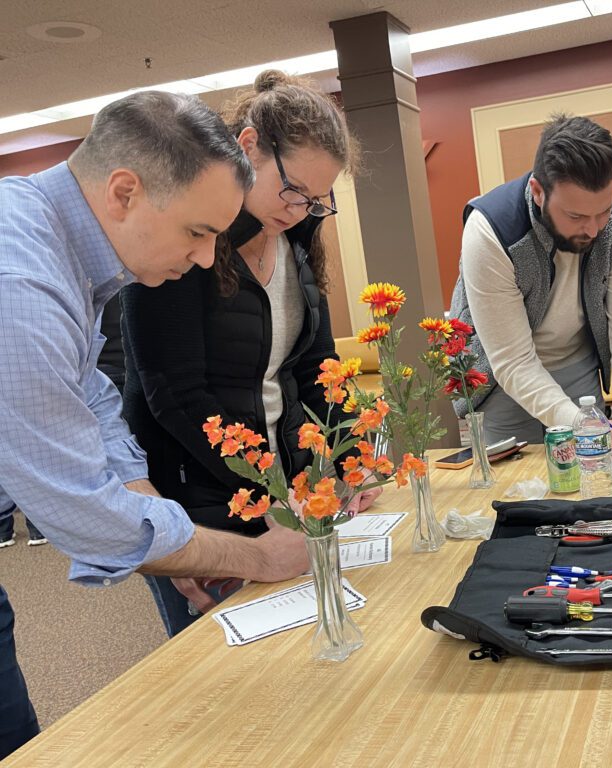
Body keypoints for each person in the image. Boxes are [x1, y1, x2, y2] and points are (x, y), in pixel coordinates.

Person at [0, 91, 311, 760]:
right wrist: (255, 555)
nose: (206, 260)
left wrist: (160, 528)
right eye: (199, 232)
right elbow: (86, 515)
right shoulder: (19, 284)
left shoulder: (59, 245)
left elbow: (94, 401)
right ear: (124, 193)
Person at [120, 71, 377, 638]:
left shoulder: (296, 241)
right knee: (224, 656)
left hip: (277, 483)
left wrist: (351, 457)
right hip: (197, 487)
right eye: (292, 191)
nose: (300, 209)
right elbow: (174, 396)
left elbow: (314, 369)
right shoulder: (185, 241)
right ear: (250, 146)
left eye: (317, 200)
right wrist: (264, 486)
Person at [449, 114, 612, 450]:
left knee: (594, 474)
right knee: (520, 492)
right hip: (504, 383)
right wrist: (584, 425)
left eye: (603, 212)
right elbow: (514, 362)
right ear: (537, 192)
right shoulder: (490, 232)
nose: (594, 230)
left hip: (578, 365)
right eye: (576, 216)